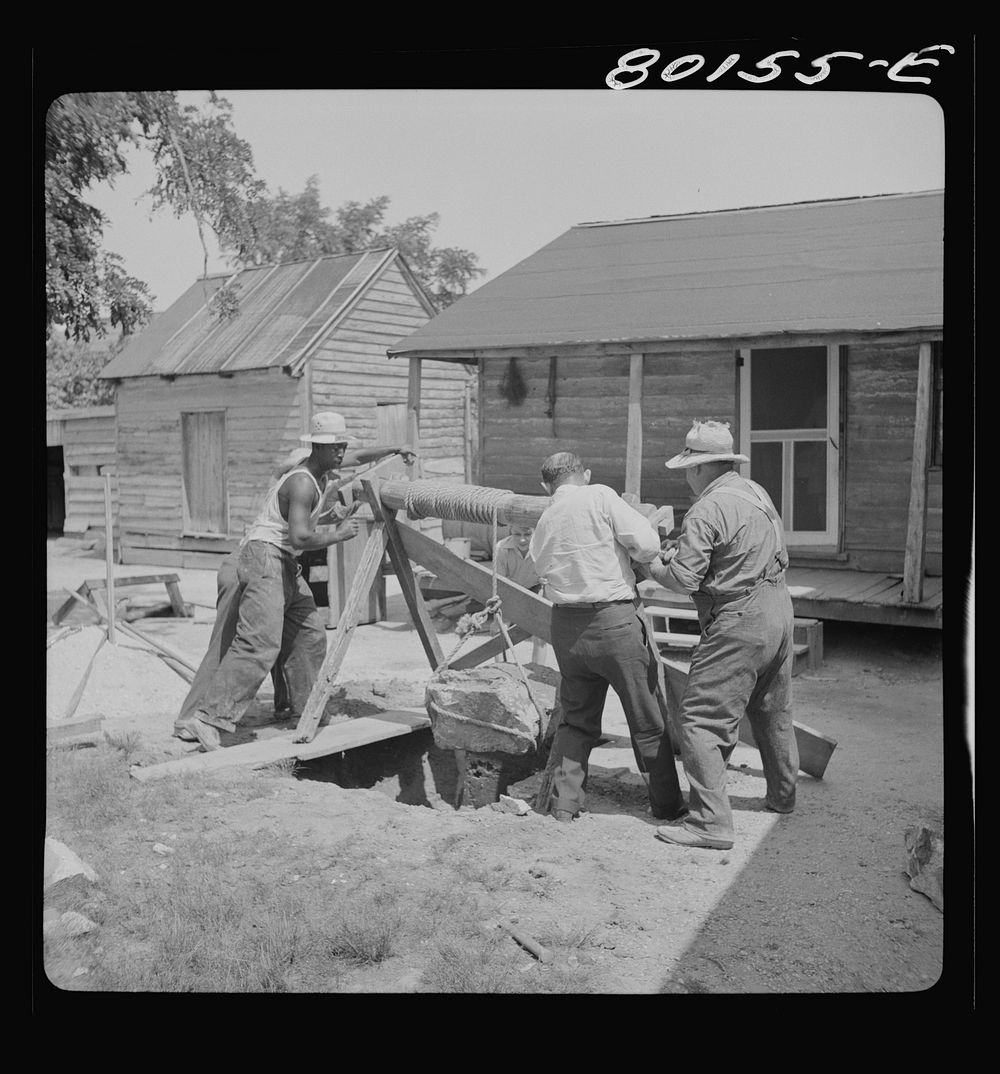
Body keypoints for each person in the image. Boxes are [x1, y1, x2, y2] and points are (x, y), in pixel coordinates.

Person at [174, 412, 415, 751]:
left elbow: (357, 458)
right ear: (318, 448)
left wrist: (395, 447)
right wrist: (337, 534)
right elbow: (301, 538)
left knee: (310, 634)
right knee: (259, 642)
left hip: (283, 561)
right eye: (336, 447)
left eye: (343, 446)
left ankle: (306, 710)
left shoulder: (322, 472)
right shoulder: (302, 482)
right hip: (264, 557)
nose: (342, 452)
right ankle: (207, 718)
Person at [647, 420, 799, 851]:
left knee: (700, 719)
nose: (687, 479)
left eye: (688, 471)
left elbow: (681, 579)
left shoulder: (706, 509)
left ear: (698, 468)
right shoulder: (755, 492)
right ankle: (782, 796)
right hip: (779, 609)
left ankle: (710, 824)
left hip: (740, 618)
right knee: (773, 708)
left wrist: (651, 566)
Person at [528, 451, 685, 823]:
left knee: (577, 721)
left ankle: (565, 804)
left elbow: (538, 567)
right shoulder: (599, 495)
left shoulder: (546, 517)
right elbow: (646, 544)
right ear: (585, 473)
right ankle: (666, 805)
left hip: (567, 627)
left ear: (545, 486)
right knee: (646, 717)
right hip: (614, 621)